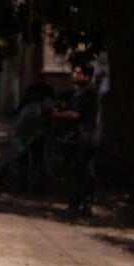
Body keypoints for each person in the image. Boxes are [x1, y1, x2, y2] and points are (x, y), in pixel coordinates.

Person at [53, 64, 100, 218]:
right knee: (87, 173)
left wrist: (59, 114)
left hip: (81, 138)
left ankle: (75, 205)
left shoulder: (84, 93)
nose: (73, 74)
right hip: (90, 137)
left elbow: (75, 114)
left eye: (77, 72)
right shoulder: (89, 91)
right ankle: (86, 205)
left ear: (86, 76)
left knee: (76, 171)